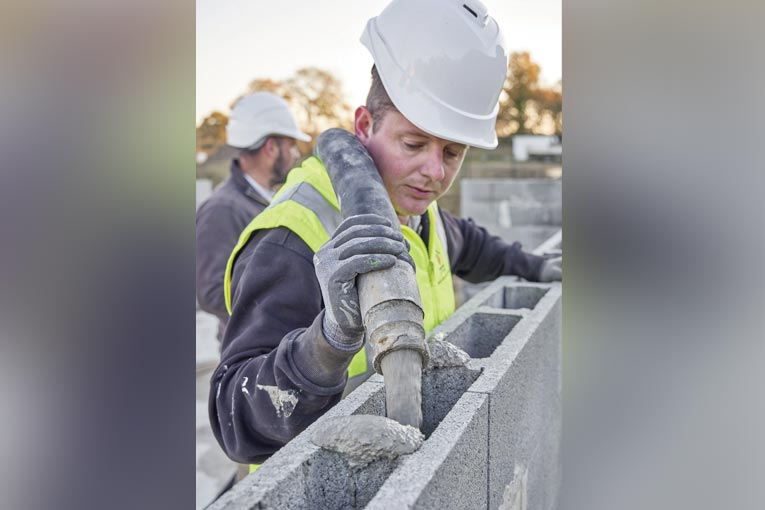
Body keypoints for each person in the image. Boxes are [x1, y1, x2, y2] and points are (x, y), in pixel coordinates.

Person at [209, 0, 562, 467]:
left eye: (452, 153)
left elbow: (476, 246)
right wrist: (328, 342)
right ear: (364, 125)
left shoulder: (419, 214)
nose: (433, 172)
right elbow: (235, 417)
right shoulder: (295, 237)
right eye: (413, 144)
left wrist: (539, 266)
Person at [196, 93, 310, 338]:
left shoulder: (267, 200)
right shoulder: (223, 208)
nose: (295, 155)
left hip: (275, 346)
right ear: (271, 147)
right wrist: (283, 296)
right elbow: (211, 293)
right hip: (251, 354)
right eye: (291, 146)